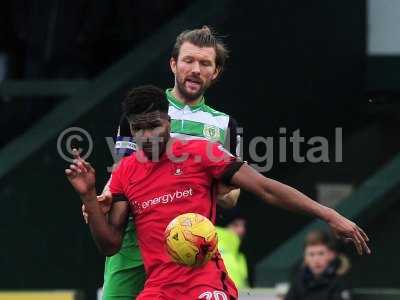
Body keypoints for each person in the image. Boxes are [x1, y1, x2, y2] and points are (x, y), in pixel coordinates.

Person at [67, 85, 370, 300]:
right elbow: (109, 244)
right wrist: (89, 196)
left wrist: (329, 214)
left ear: (168, 122)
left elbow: (266, 188)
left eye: (154, 125)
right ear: (130, 131)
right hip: (159, 289)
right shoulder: (125, 171)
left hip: (205, 285)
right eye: (139, 129)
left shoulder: (202, 153)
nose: (147, 135)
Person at [83, 26, 241, 299]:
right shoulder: (144, 108)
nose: (195, 69)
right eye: (188, 60)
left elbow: (232, 196)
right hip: (136, 235)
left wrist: (200, 182)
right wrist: (101, 201)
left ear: (215, 72)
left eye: (205, 63)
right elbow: (121, 173)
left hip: (188, 244)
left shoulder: (225, 125)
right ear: (173, 64)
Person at [285, 230, 353, 300]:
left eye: (321, 253)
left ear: (331, 255)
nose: (316, 260)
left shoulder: (340, 281)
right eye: (311, 254)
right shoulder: (299, 279)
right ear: (305, 258)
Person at [216, 210, 249, 289]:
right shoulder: (213, 246)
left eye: (244, 226)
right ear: (225, 227)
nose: (241, 230)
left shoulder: (240, 257)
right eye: (235, 225)